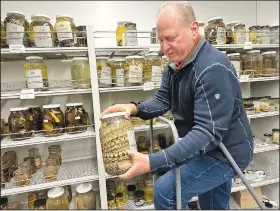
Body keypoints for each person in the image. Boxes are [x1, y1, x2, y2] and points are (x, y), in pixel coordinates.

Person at [100, 1, 253, 210]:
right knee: (213, 205)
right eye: (160, 39)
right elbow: (163, 100)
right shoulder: (176, 65)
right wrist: (134, 108)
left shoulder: (212, 68)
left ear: (193, 29)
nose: (164, 48)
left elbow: (206, 132)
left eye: (170, 38)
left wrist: (153, 161)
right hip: (206, 149)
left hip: (225, 154)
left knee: (166, 191)